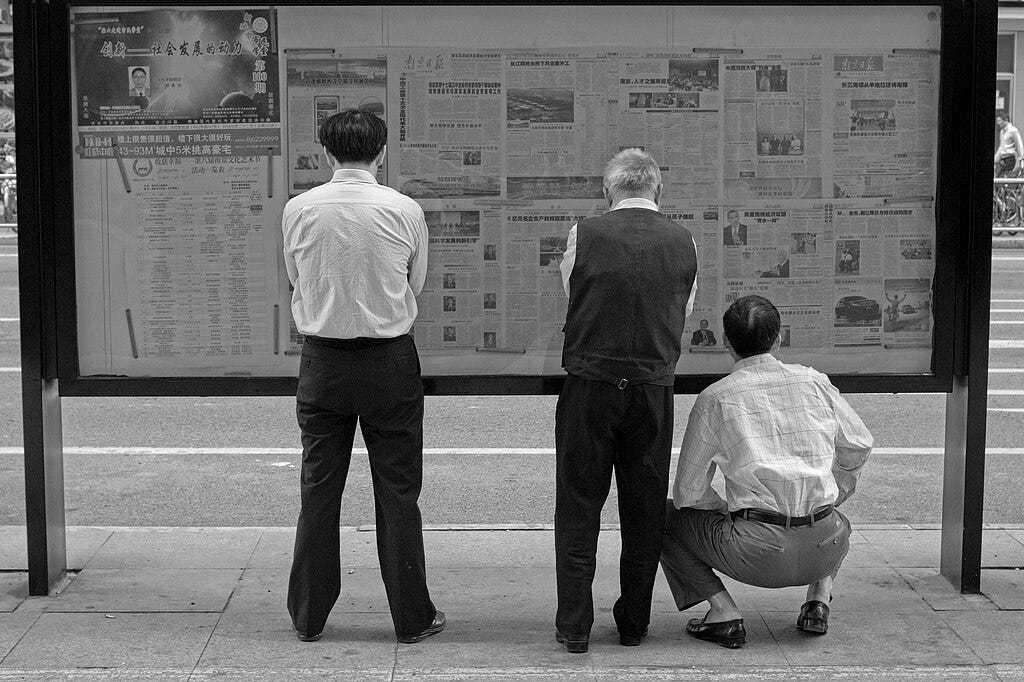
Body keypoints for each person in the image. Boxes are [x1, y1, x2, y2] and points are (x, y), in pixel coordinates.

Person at [282, 109, 443, 645]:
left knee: (318, 491)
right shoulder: (404, 210)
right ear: (381, 154)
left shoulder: (299, 210)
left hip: (323, 361)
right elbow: (413, 284)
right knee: (398, 493)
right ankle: (412, 616)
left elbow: (297, 279)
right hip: (390, 361)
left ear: (327, 154)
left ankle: (309, 615)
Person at [661, 295, 872, 649]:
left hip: (757, 556)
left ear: (726, 343)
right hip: (827, 545)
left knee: (661, 517)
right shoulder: (814, 382)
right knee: (838, 520)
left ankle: (723, 612)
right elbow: (858, 445)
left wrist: (728, 511)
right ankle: (819, 598)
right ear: (779, 339)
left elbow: (688, 493)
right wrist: (833, 491)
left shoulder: (716, 398)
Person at [555, 148, 698, 653]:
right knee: (642, 513)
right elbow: (683, 306)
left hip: (589, 386)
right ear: (657, 189)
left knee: (578, 507)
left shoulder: (583, 234)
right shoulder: (684, 240)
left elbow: (571, 294)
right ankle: (633, 624)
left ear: (607, 190)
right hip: (652, 390)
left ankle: (574, 626)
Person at [995, 111, 1023, 177]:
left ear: (1006, 120)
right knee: (998, 180)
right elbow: (1002, 147)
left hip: (1011, 159)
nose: (998, 123)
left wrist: (1020, 162)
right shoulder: (1002, 131)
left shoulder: (1013, 130)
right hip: (1003, 159)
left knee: (1008, 181)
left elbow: (1019, 146)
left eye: (999, 121)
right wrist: (996, 159)